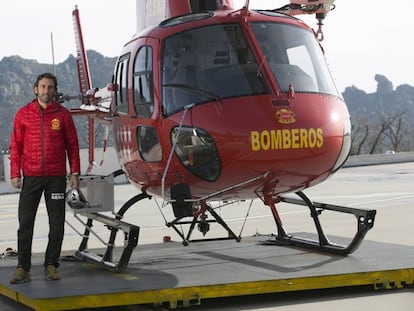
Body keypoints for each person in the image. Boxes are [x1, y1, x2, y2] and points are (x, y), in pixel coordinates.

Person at [9, 72, 80, 284]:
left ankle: (51, 264)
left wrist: (74, 173)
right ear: (35, 89)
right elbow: (16, 146)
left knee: (57, 224)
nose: (46, 90)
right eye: (42, 87)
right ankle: (23, 267)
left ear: (54, 90)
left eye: (50, 87)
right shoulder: (23, 114)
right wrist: (15, 172)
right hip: (31, 178)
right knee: (26, 223)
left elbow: (72, 146)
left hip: (56, 177)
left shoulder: (63, 115)